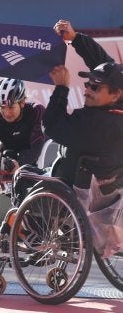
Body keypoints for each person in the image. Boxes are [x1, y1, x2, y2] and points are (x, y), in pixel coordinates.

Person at [46, 20, 123, 257]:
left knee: (24, 177)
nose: (87, 89)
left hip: (84, 191)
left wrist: (61, 88)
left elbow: (51, 125)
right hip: (114, 185)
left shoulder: (92, 123)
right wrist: (75, 38)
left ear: (115, 95)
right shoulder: (116, 107)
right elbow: (107, 66)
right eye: (87, 83)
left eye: (95, 88)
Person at [0, 78, 46, 173]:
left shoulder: (36, 111)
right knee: (7, 155)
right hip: (13, 156)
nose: (7, 113)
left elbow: (37, 146)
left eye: (11, 107)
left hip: (43, 155)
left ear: (22, 102)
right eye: (2, 107)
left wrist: (20, 163)